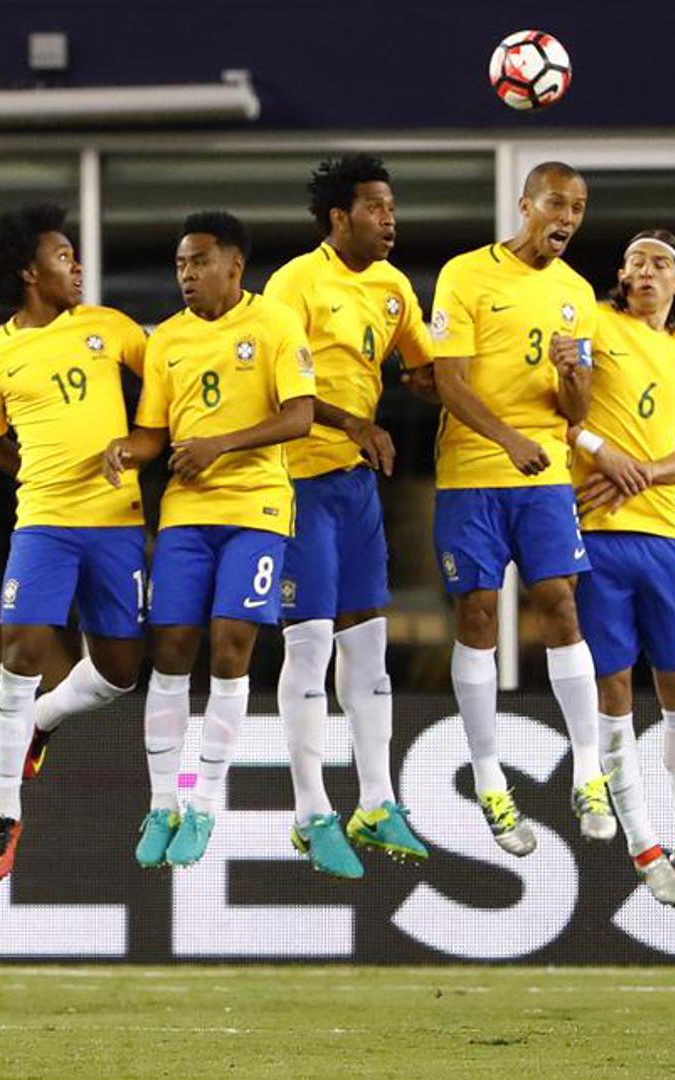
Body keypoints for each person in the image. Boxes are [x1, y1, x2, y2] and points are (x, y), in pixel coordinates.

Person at [104, 211, 316, 869]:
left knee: (229, 647)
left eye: (198, 262)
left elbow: (300, 416)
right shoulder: (167, 339)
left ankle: (203, 804)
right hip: (185, 514)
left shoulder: (275, 323)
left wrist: (220, 445)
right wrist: (125, 450)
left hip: (256, 508)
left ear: (234, 265)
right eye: (180, 265)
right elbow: (155, 433)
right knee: (169, 649)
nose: (187, 275)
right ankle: (163, 802)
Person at [429, 160, 613, 855]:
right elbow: (449, 381)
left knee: (560, 603)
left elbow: (577, 409)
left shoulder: (577, 293)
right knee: (477, 610)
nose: (567, 218)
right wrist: (507, 440)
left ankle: (589, 773)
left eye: (578, 208)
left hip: (544, 477)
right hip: (472, 472)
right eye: (557, 204)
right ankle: (490, 781)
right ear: (526, 205)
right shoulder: (465, 274)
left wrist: (575, 374)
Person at [263, 154, 435, 879]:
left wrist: (457, 379)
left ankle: (376, 801)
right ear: (339, 217)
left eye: (391, 207)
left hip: (355, 486)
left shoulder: (393, 287)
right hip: (297, 481)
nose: (389, 219)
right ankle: (310, 813)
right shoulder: (294, 284)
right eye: (374, 207)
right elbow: (278, 390)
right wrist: (354, 423)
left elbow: (422, 368)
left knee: (367, 641)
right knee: (307, 643)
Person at [0, 202, 148, 880]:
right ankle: (4, 812)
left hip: (117, 523)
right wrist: (36, 473)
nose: (77, 266)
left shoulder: (109, 327)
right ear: (28, 271)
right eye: (63, 255)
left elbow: (169, 386)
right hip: (43, 524)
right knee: (21, 652)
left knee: (119, 672)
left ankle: (42, 720)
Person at [563, 230, 675, 910]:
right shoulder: (594, 323)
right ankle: (644, 847)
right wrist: (602, 452)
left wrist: (639, 473)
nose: (645, 271)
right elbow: (557, 411)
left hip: (665, 537)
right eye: (635, 261)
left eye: (660, 263)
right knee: (613, 689)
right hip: (596, 534)